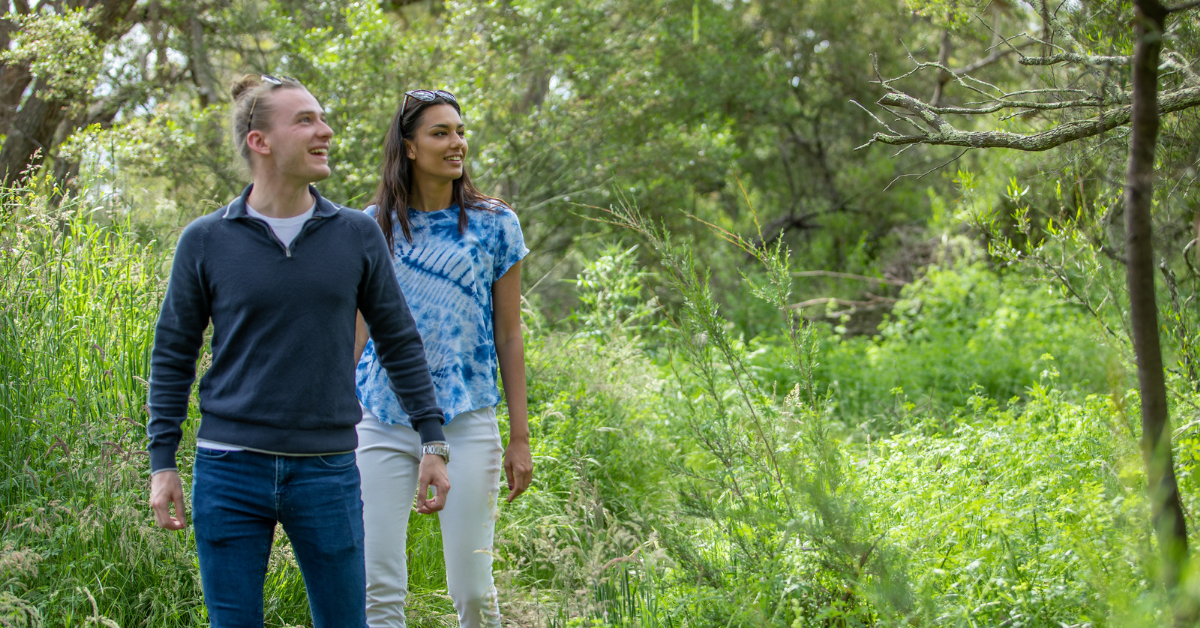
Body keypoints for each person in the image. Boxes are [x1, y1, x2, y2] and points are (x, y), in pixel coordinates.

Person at [146, 74, 452, 628]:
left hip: (327, 470)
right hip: (228, 468)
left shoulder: (357, 235)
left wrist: (432, 438)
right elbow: (173, 354)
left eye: (322, 117)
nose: (325, 131)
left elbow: (399, 341)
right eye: (305, 120)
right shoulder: (206, 240)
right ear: (260, 142)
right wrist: (162, 462)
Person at [353, 89, 533, 628]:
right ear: (408, 147)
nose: (457, 143)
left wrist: (519, 436)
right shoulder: (371, 226)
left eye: (459, 131)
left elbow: (509, 333)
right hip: (381, 418)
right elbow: (355, 330)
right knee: (376, 584)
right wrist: (328, 414)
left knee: (473, 588)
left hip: (466, 419)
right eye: (440, 133)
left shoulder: (495, 223)